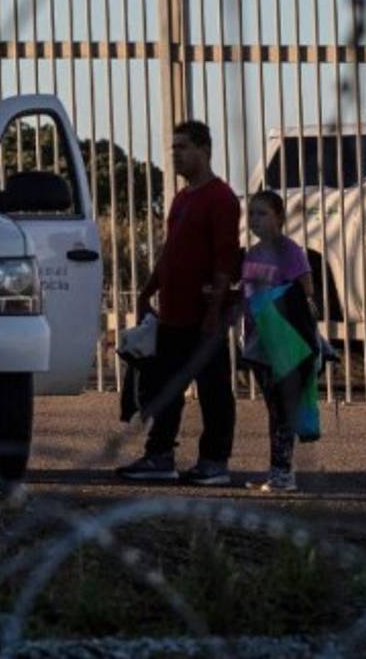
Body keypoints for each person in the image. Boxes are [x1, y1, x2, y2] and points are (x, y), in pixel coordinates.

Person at [116, 120, 241, 486]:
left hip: (202, 314)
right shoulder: (182, 199)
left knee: (214, 388)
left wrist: (215, 311)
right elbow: (172, 252)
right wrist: (147, 290)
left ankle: (215, 460)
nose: (175, 155)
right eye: (173, 148)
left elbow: (225, 260)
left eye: (182, 147)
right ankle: (160, 456)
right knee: (165, 388)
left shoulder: (221, 199)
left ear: (204, 149)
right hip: (172, 313)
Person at [240, 190, 318, 492]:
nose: (256, 220)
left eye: (263, 214)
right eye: (252, 214)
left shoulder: (290, 252)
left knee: (284, 407)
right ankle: (276, 469)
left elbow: (305, 289)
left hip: (285, 340)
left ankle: (284, 473)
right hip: (259, 340)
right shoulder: (252, 254)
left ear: (279, 217)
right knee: (273, 407)